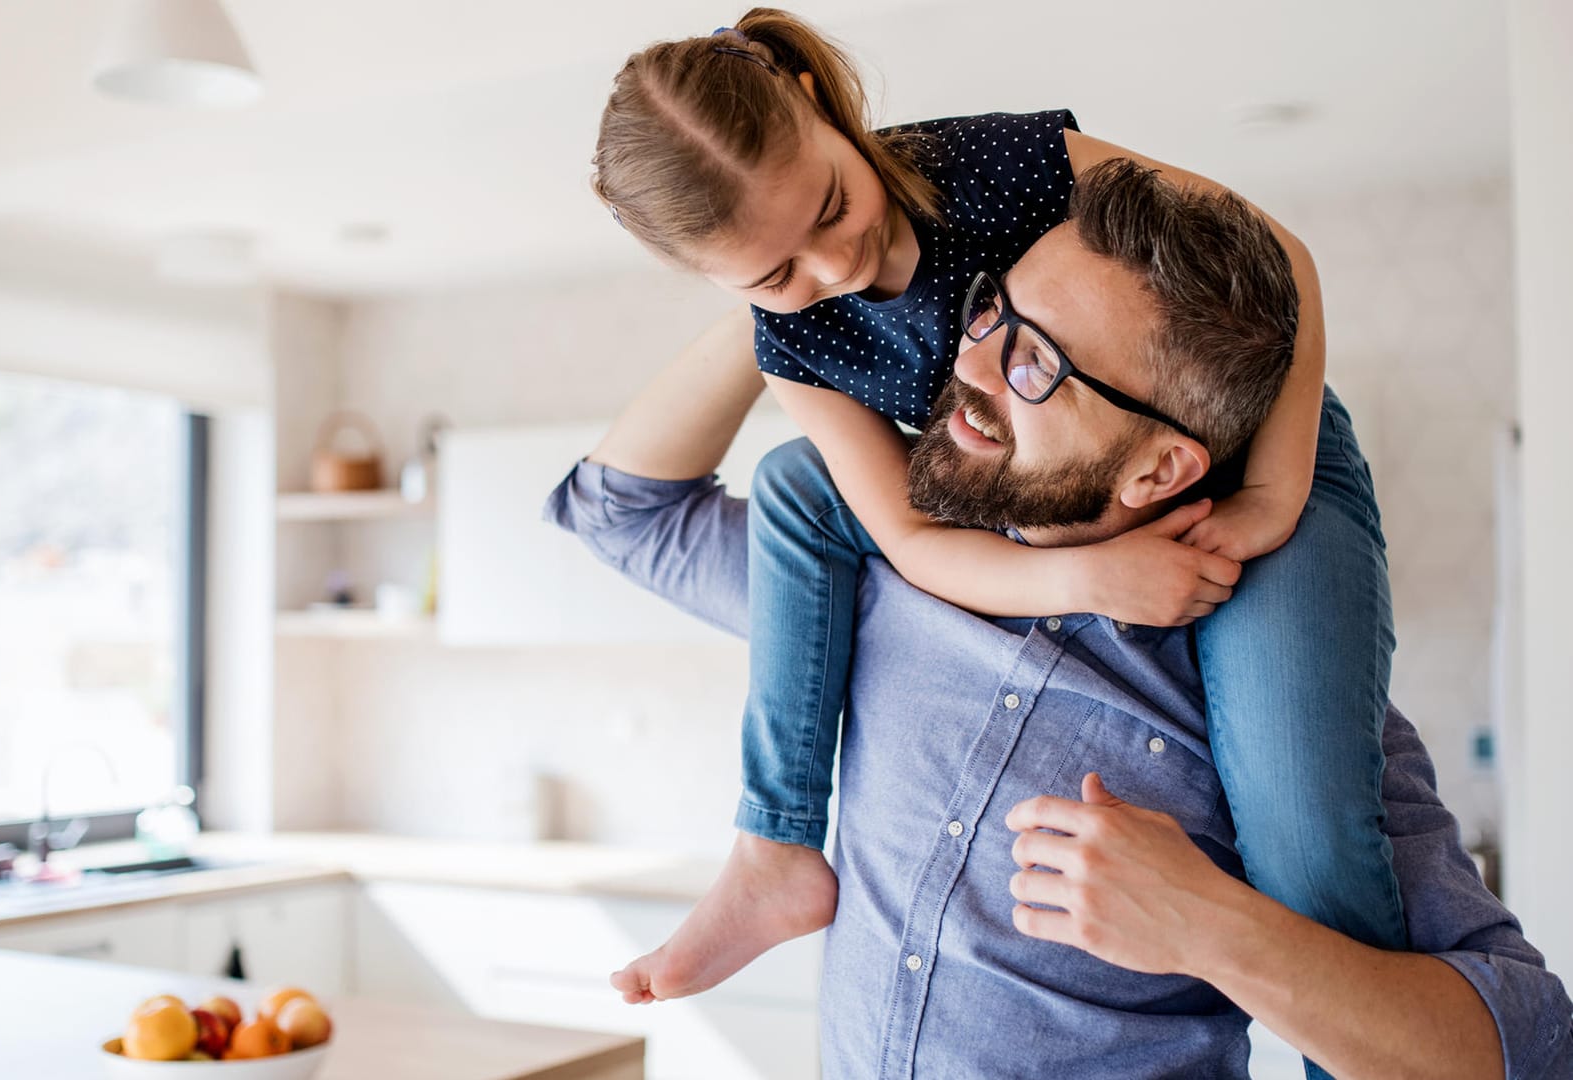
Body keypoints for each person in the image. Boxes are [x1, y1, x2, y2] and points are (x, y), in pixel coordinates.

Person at [546, 161, 1573, 1079]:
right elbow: (619, 512)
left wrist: (1216, 930)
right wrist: (795, 268)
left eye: (1039, 367)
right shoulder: (865, 586)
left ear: (1160, 467)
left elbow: (1528, 1051)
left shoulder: (1289, 715)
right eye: (994, 313)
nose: (972, 367)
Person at [590, 6, 1403, 1040]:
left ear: (812, 101)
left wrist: (1275, 495)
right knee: (800, 486)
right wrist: (1089, 582)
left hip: (1266, 427)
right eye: (773, 274)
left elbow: (1278, 254)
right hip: (1046, 489)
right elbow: (915, 542)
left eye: (832, 208)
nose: (833, 270)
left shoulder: (993, 161)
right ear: (710, 283)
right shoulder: (790, 343)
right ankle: (776, 845)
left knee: (1309, 848)